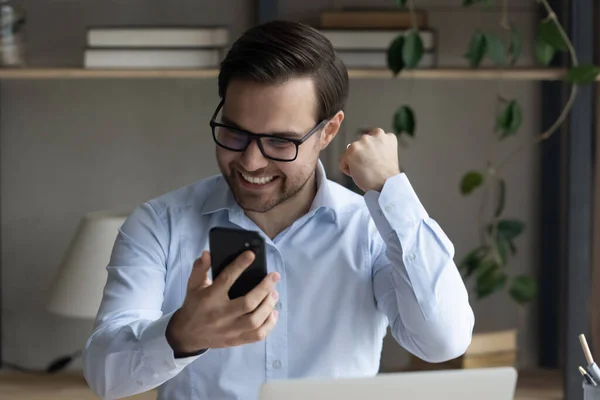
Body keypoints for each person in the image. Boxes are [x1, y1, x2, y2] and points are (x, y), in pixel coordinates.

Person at [82, 20, 474, 400]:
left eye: (280, 141)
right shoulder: (159, 225)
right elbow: (104, 375)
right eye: (235, 132)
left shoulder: (372, 228)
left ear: (328, 132)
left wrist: (391, 188)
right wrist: (182, 335)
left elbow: (442, 341)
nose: (251, 162)